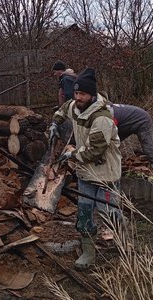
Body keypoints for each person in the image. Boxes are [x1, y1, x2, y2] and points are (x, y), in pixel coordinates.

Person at [49, 67, 123, 270]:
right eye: (76, 93)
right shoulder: (76, 105)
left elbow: (94, 152)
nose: (77, 97)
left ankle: (122, 236)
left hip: (105, 173)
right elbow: (64, 109)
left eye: (82, 94)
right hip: (85, 174)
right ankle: (88, 253)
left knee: (108, 212)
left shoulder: (102, 117)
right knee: (84, 213)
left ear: (92, 94)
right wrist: (54, 124)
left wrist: (70, 155)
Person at [107, 102, 153, 184]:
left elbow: (109, 129)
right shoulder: (100, 109)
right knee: (111, 145)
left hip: (142, 120)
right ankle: (113, 172)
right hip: (125, 123)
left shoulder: (105, 113)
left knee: (148, 149)